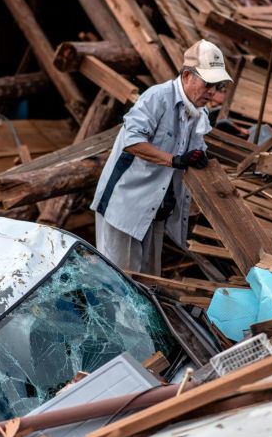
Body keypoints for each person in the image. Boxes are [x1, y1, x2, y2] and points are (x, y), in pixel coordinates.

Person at [91, 39, 232, 274]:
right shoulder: (157, 98)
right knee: (117, 282)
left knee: (147, 283)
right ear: (187, 75)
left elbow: (193, 151)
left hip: (156, 210)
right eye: (208, 84)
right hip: (125, 207)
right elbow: (132, 141)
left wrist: (197, 159)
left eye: (217, 86)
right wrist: (173, 160)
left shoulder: (198, 112)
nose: (212, 93)